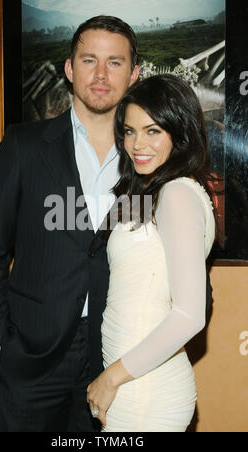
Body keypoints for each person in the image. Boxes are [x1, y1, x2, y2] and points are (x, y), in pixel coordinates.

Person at [0, 15, 139, 432]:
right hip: (30, 358)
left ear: (135, 74)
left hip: (114, 355)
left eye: (115, 62)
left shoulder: (148, 161)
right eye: (88, 60)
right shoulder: (22, 147)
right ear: (69, 68)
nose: (100, 74)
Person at [86, 75, 216, 432]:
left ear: (180, 132)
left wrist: (111, 378)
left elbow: (190, 315)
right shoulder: (155, 192)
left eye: (153, 131)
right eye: (129, 131)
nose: (136, 144)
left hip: (144, 391)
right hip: (134, 382)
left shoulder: (177, 194)